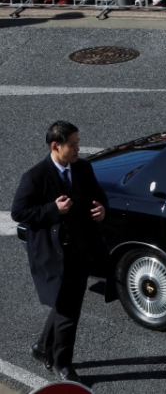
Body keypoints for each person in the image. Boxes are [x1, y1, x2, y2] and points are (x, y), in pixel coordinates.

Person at [11, 121, 108, 384]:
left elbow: (98, 197)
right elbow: (19, 213)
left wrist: (101, 210)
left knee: (66, 305)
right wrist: (53, 210)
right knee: (68, 311)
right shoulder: (35, 177)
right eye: (73, 145)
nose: (78, 149)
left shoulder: (83, 168)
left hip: (79, 250)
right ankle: (61, 363)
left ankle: (43, 346)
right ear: (56, 146)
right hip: (53, 255)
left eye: (78, 143)